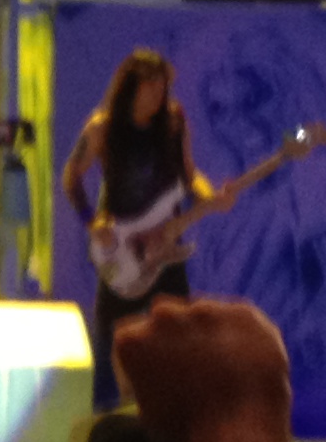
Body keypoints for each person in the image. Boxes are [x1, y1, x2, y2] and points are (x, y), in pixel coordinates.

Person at [61, 50, 215, 415]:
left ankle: (170, 417)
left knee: (175, 335)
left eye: (162, 87)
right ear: (131, 87)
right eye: (150, 87)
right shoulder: (103, 127)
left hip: (164, 245)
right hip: (122, 246)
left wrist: (209, 196)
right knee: (123, 340)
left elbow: (189, 174)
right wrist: (92, 221)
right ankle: (129, 416)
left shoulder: (174, 122)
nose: (158, 96)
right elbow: (72, 176)